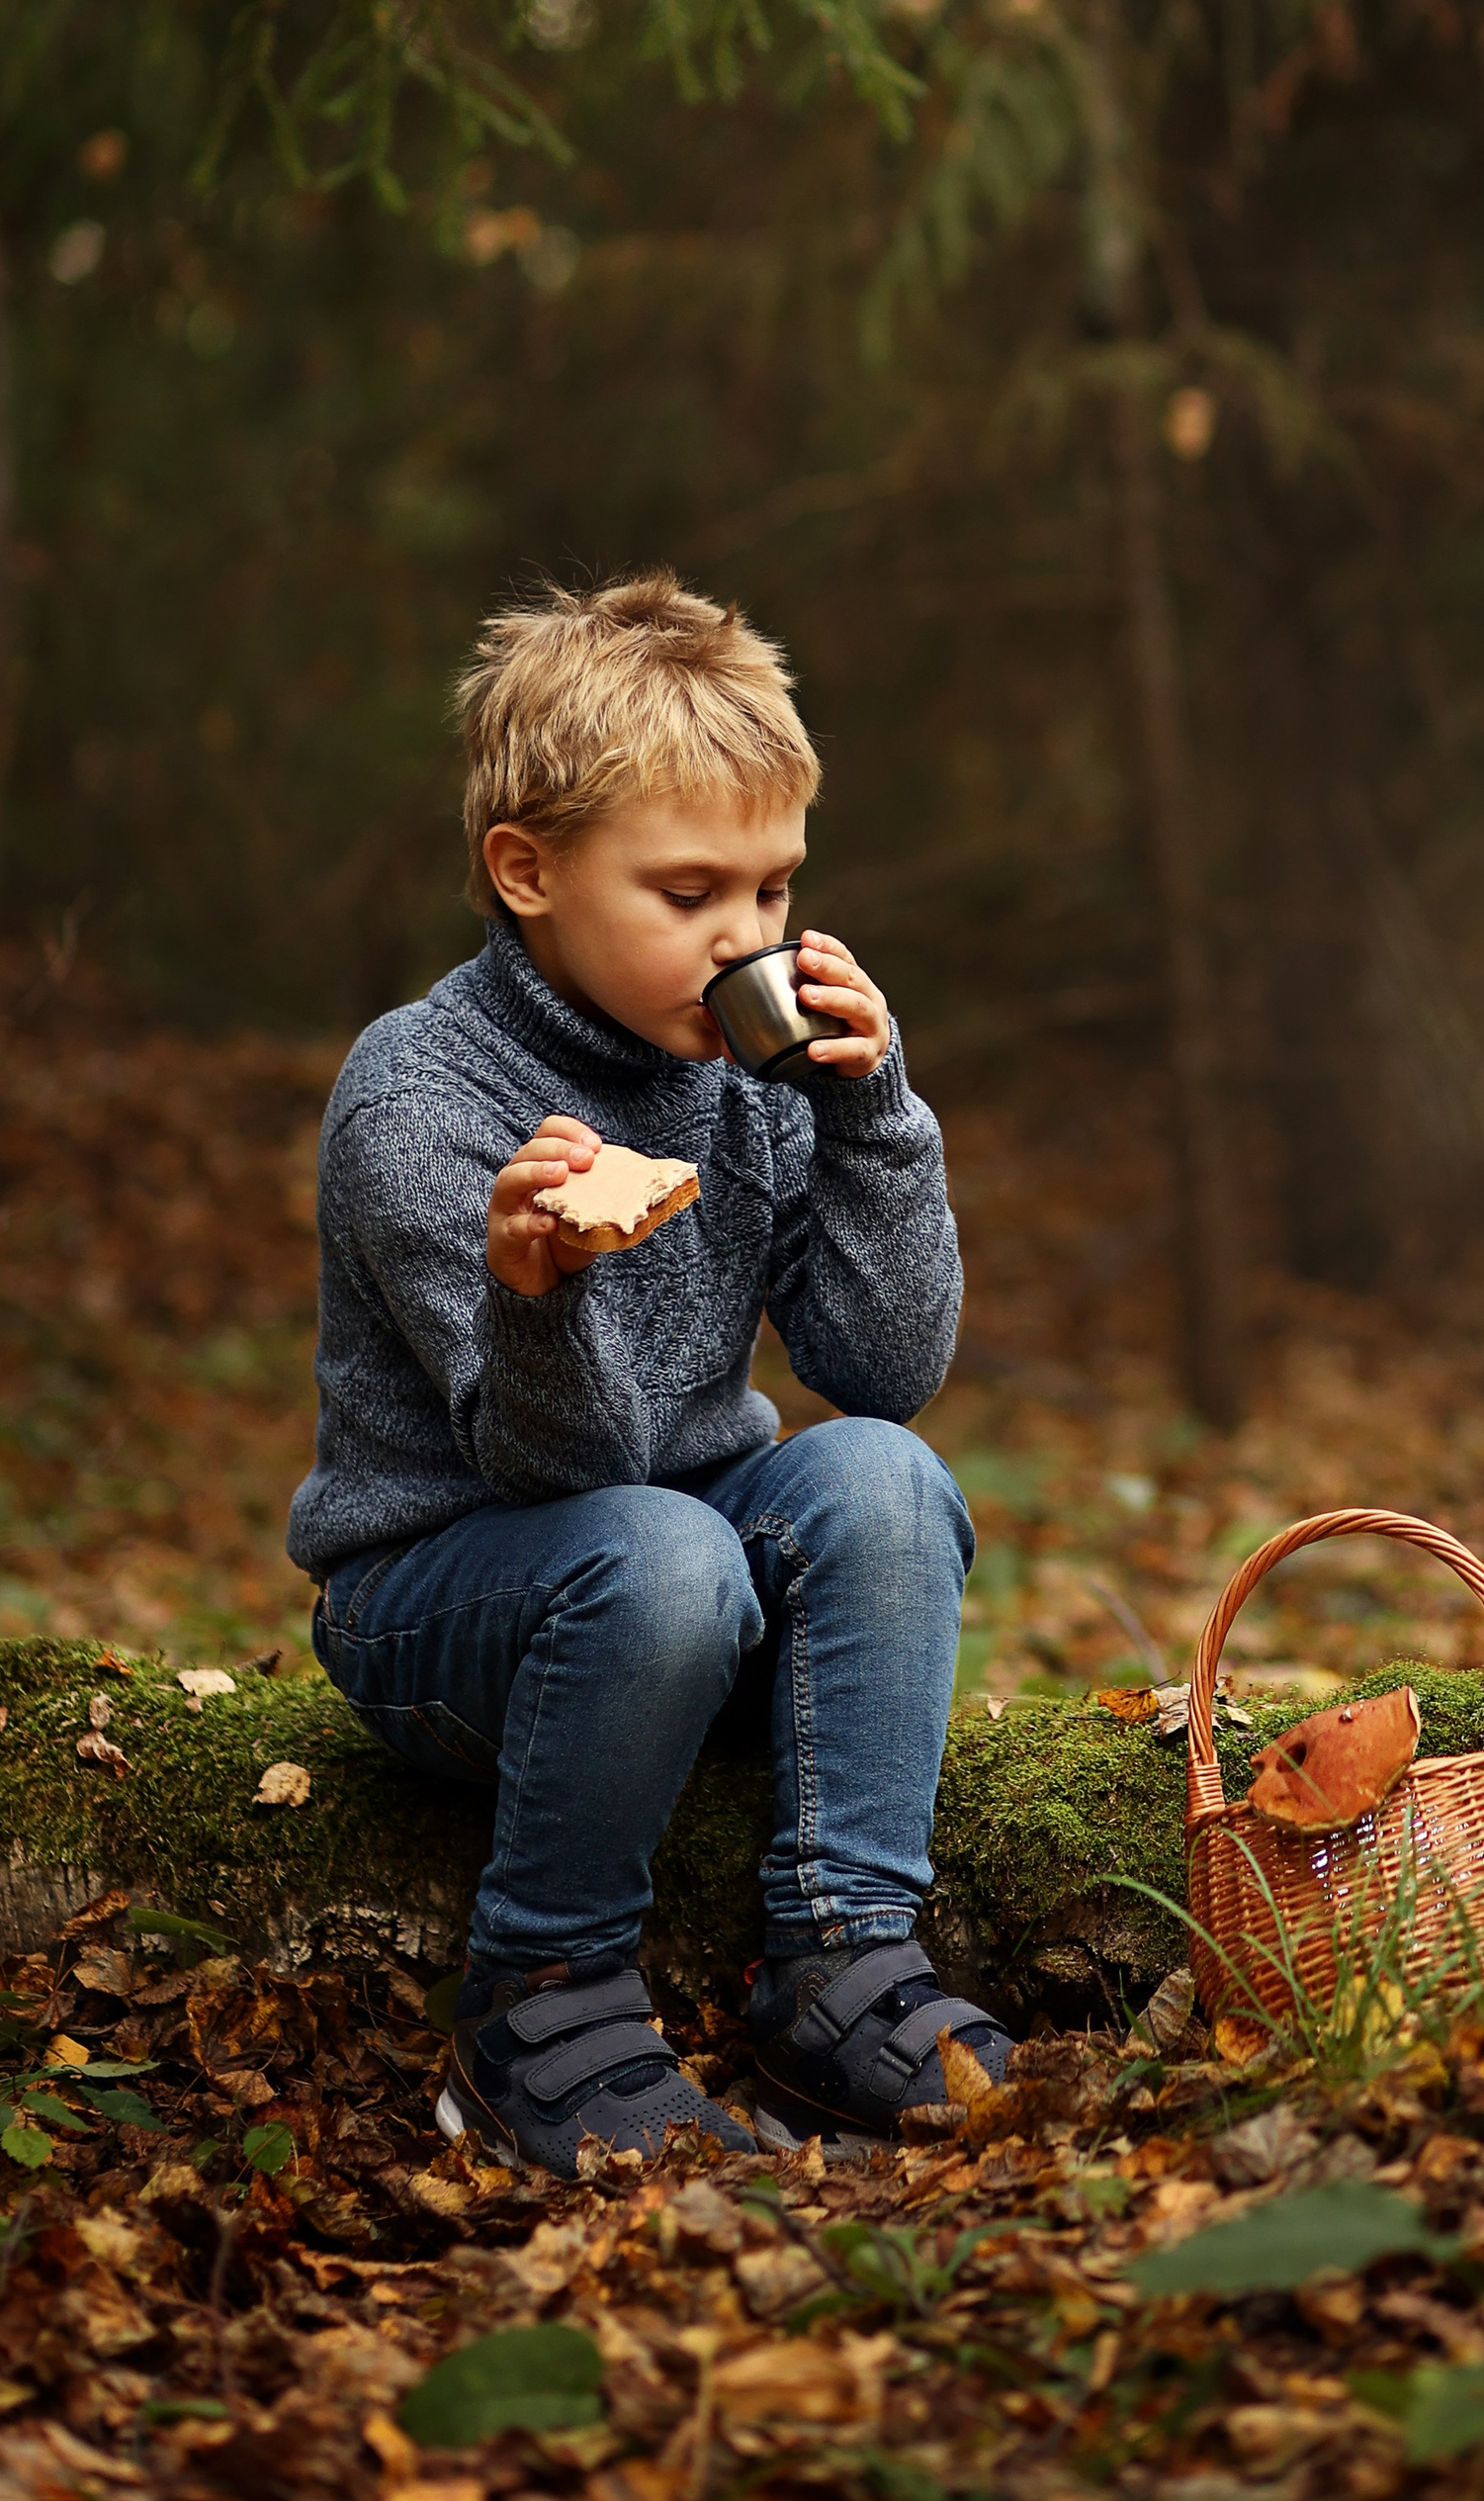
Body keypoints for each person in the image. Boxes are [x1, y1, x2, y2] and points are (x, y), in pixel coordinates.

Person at [287, 571, 1011, 2170]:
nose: (747, 939)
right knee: (662, 1550)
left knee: (882, 1480)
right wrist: (538, 1287)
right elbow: (560, 1470)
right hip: (442, 1603)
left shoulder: (744, 1075)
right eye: (690, 894)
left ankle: (839, 1959)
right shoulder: (421, 1092)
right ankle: (536, 1998)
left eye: (774, 891)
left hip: (675, 1579)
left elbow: (882, 1367)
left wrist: (874, 1113)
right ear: (526, 870)